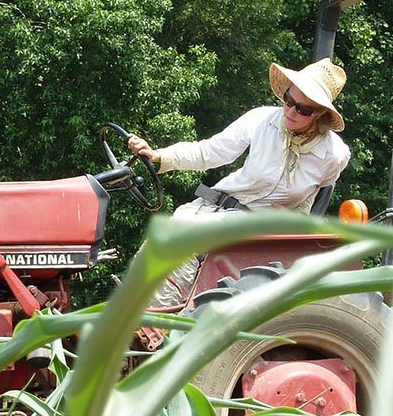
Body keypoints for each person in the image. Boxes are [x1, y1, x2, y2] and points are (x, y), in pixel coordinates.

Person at [127, 58, 352, 308]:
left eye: (303, 109)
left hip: (260, 227)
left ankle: (152, 322)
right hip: (218, 208)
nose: (290, 111)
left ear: (320, 112)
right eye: (288, 100)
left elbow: (314, 196)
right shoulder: (260, 120)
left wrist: (298, 223)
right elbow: (209, 152)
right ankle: (131, 312)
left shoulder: (334, 155)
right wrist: (160, 155)